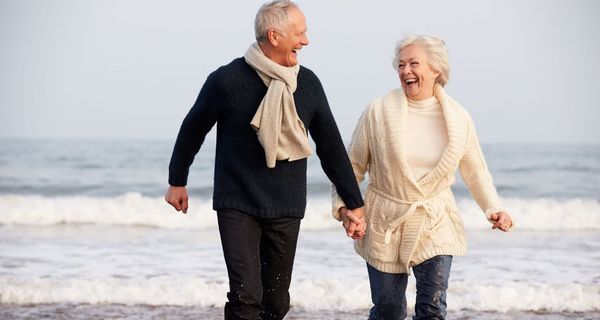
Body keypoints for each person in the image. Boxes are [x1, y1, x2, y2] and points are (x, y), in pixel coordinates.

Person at [165, 1, 365, 319]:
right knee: (245, 297)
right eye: (300, 33)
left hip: (285, 204)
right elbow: (193, 128)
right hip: (237, 201)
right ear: (274, 36)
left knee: (276, 302)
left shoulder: (308, 84)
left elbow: (330, 147)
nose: (306, 41)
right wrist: (178, 180)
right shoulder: (226, 80)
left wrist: (354, 202)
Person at [332, 35, 514, 319]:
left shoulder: (458, 118)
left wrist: (494, 208)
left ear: (435, 69)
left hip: (435, 218)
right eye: (401, 64)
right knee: (389, 310)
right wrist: (345, 209)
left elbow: (475, 169)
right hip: (385, 220)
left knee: (432, 309)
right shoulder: (377, 112)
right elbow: (352, 166)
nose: (405, 70)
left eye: (414, 63)